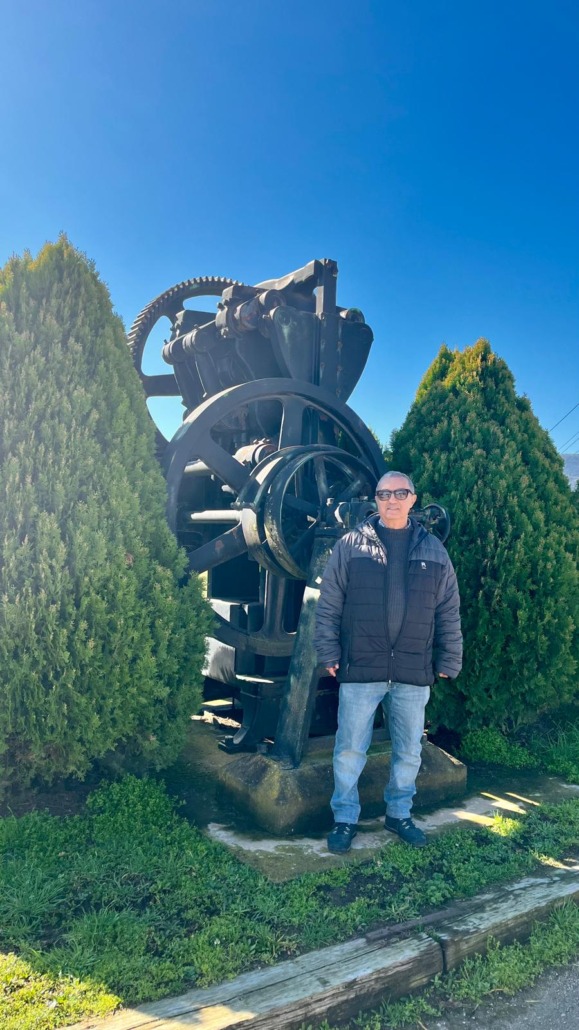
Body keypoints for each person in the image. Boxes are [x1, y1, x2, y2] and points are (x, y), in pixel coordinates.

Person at [314, 471, 462, 852]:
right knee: (350, 749)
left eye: (400, 493)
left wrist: (450, 657)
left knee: (409, 750)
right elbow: (329, 604)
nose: (392, 500)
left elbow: (448, 610)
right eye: (384, 494)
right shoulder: (350, 546)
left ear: (413, 499)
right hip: (362, 666)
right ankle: (345, 819)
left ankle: (399, 813)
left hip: (412, 669)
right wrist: (328, 651)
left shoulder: (435, 552)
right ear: (376, 501)